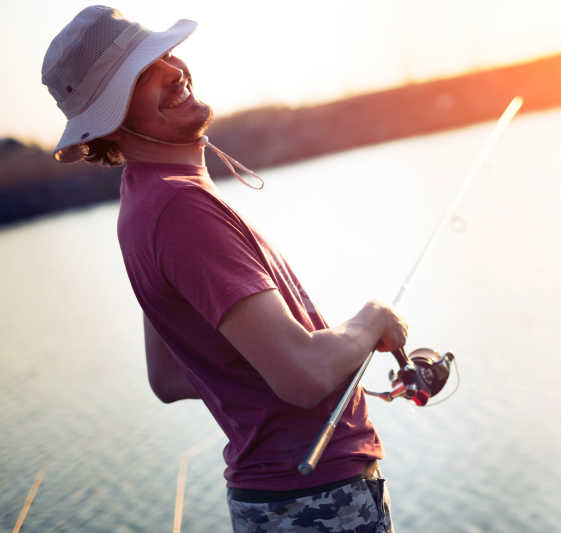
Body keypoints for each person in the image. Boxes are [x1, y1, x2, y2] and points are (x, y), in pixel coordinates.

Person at [42, 6, 404, 532]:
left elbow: (169, 376)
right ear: (110, 120)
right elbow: (303, 376)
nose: (172, 71)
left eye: (164, 54)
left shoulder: (144, 201)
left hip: (280, 502)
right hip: (316, 501)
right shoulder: (179, 208)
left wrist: (268, 367)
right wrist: (372, 319)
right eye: (140, 75)